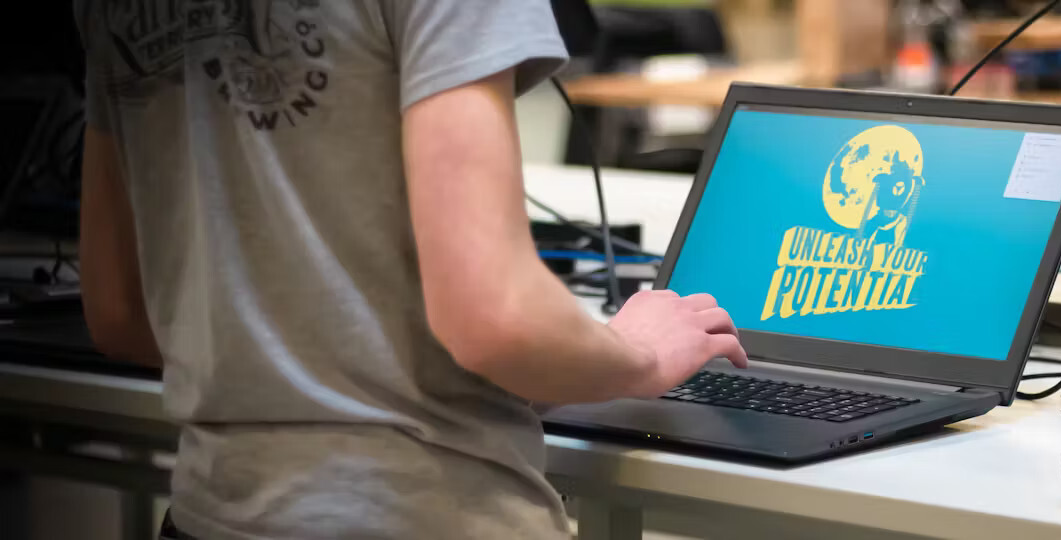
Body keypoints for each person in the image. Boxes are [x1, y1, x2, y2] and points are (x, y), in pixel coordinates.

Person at [75, 1, 748, 538]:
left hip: (211, 515)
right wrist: (633, 354)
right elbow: (498, 324)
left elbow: (121, 311)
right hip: (423, 514)